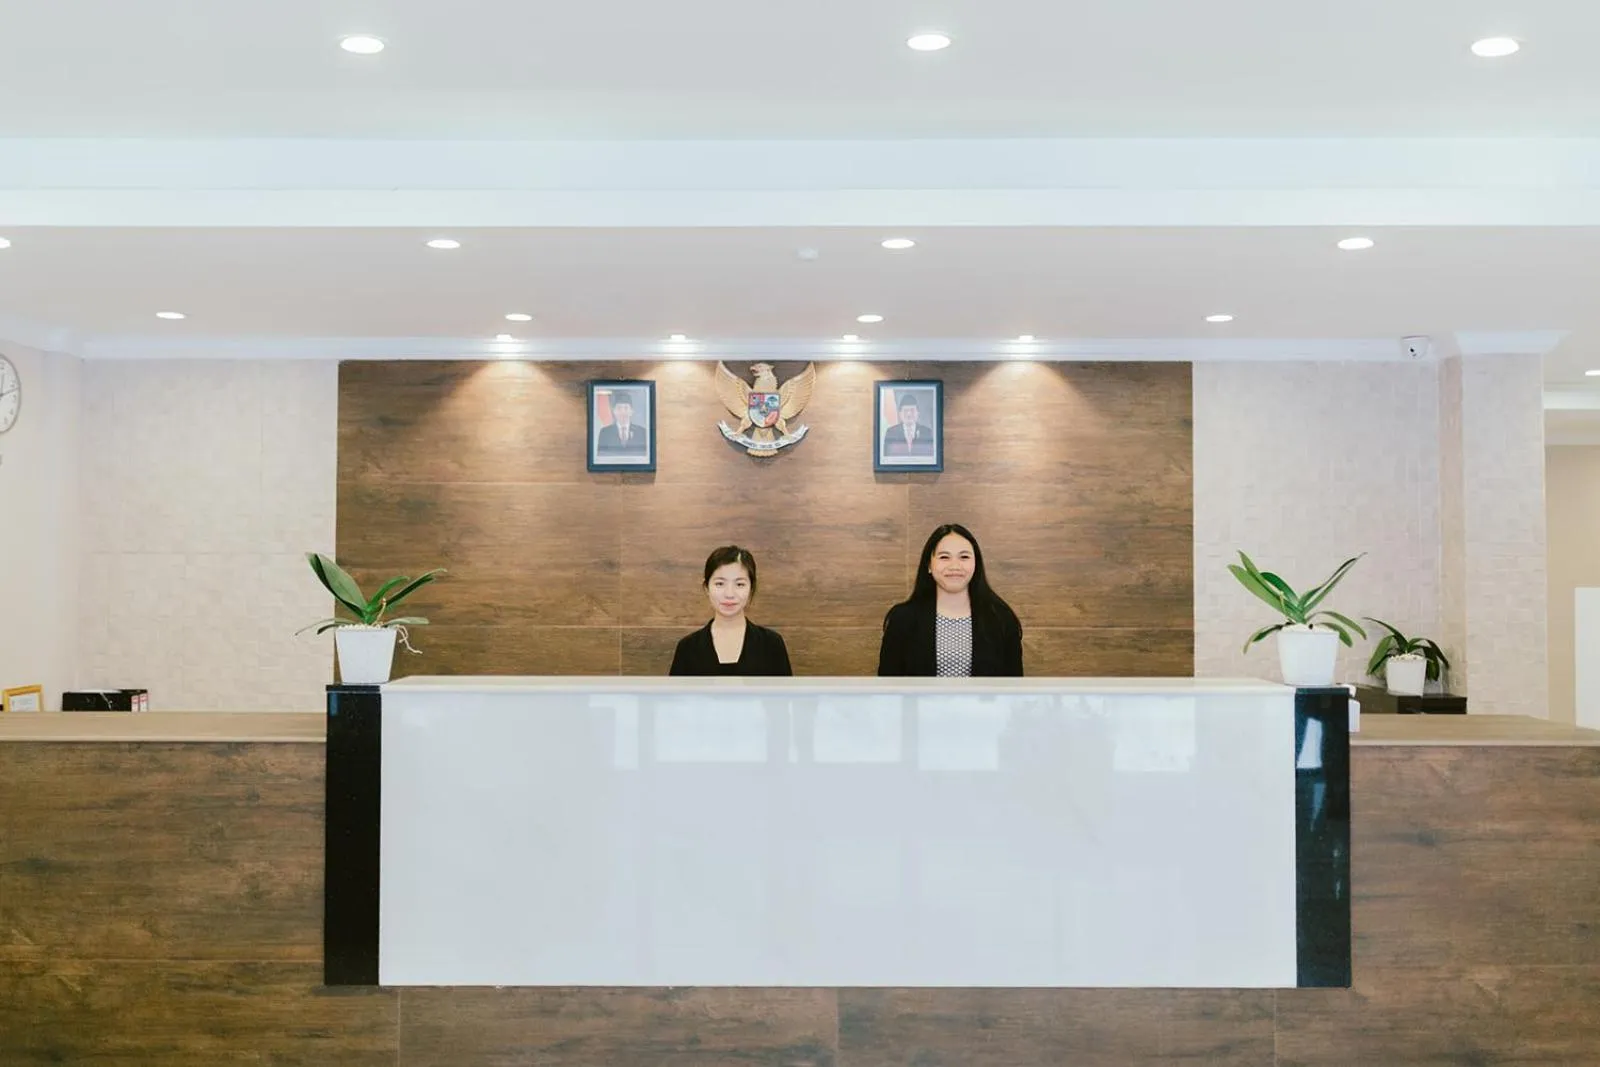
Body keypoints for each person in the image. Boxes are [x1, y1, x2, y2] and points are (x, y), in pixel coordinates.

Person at [877, 523, 1023, 676]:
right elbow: (888, 687)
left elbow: (1014, 689)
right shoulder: (902, 619)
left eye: (964, 557)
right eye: (944, 557)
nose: (955, 566)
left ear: (976, 563)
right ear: (929, 564)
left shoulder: (1001, 618)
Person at [669, 546, 794, 676]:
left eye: (739, 584)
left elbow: (785, 696)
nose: (729, 594)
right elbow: (675, 696)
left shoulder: (771, 644)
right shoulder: (688, 648)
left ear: (751, 588)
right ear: (706, 588)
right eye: (720, 584)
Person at [881, 391, 935, 457]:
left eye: (912, 410)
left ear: (918, 413)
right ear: (900, 414)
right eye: (905, 411)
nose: (909, 414)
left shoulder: (927, 432)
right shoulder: (891, 432)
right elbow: (886, 456)